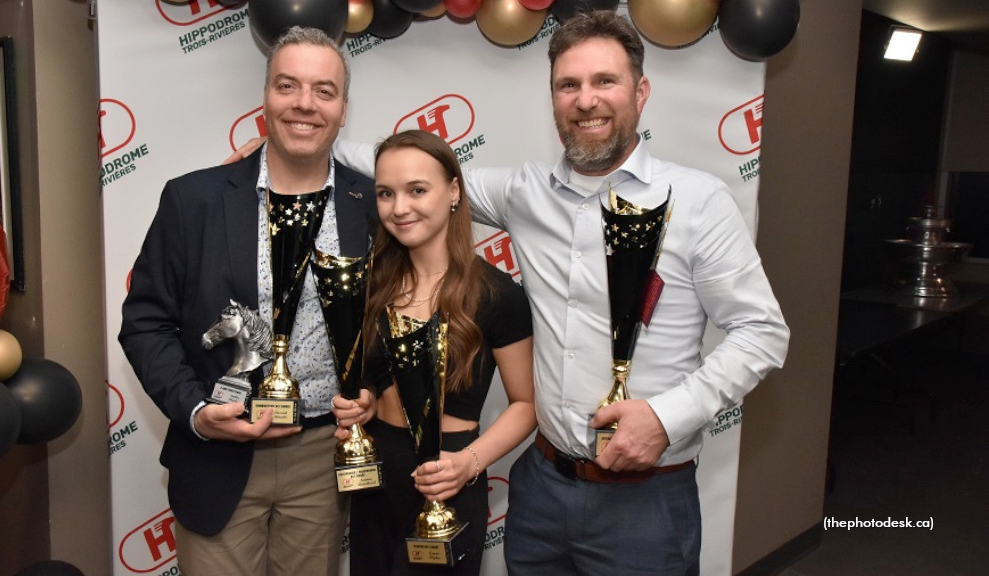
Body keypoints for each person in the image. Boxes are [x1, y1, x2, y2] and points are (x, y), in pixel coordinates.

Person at [229, 10, 790, 574]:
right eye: (568, 85)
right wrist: (291, 143)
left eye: (605, 82)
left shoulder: (697, 202)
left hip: (645, 499)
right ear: (552, 99)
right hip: (542, 490)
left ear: (640, 91)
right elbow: (411, 175)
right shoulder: (526, 193)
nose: (586, 100)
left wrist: (668, 416)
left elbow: (763, 333)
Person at [119, 27, 376, 576]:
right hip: (217, 455)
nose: (305, 103)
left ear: (343, 108)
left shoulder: (370, 204)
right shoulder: (193, 200)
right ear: (265, 97)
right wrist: (196, 412)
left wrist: (373, 391)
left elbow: (394, 317)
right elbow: (145, 324)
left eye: (323, 91)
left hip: (321, 456)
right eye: (289, 85)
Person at [331, 130, 536, 575]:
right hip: (375, 475)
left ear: (454, 193)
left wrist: (469, 464)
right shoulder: (372, 284)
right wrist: (363, 402)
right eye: (385, 193)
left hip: (448, 476)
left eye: (417, 190)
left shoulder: (497, 294)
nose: (399, 208)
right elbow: (371, 378)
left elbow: (527, 404)